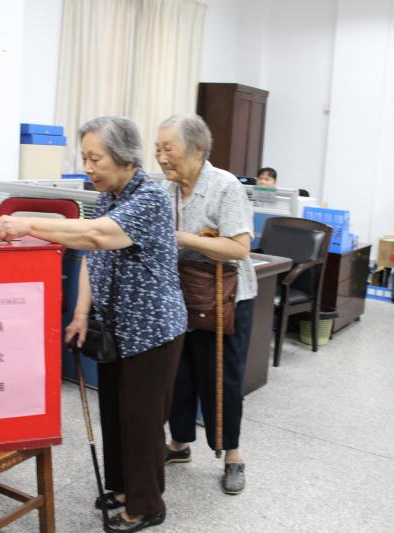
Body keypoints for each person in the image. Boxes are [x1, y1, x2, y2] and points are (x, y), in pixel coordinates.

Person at [0, 116, 187, 533]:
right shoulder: (107, 198)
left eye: (95, 158)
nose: (88, 167)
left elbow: (97, 236)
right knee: (115, 413)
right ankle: (123, 488)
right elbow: (90, 256)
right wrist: (81, 315)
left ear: (124, 157)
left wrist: (27, 224)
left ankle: (147, 505)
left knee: (142, 420)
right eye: (85, 158)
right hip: (116, 327)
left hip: (153, 330)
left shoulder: (150, 198)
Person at [155, 113, 257, 495]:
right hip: (181, 294)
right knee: (179, 373)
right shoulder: (165, 189)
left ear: (197, 149)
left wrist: (183, 237)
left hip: (224, 297)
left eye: (169, 149)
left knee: (221, 376)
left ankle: (232, 454)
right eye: (157, 149)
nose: (161, 158)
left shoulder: (224, 186)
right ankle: (179, 443)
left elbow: (239, 247)